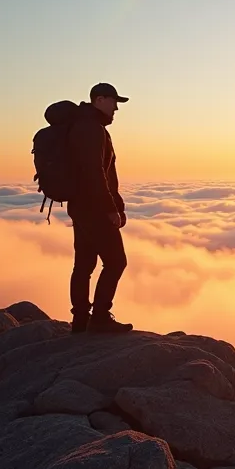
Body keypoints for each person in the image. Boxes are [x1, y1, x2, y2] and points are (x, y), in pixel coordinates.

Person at [67, 82, 134, 334]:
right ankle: (100, 318)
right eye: (113, 101)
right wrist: (111, 208)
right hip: (93, 208)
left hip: (81, 207)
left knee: (83, 265)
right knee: (116, 262)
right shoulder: (91, 129)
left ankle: (81, 321)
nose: (116, 108)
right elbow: (95, 173)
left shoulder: (84, 126)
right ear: (99, 100)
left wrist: (117, 205)